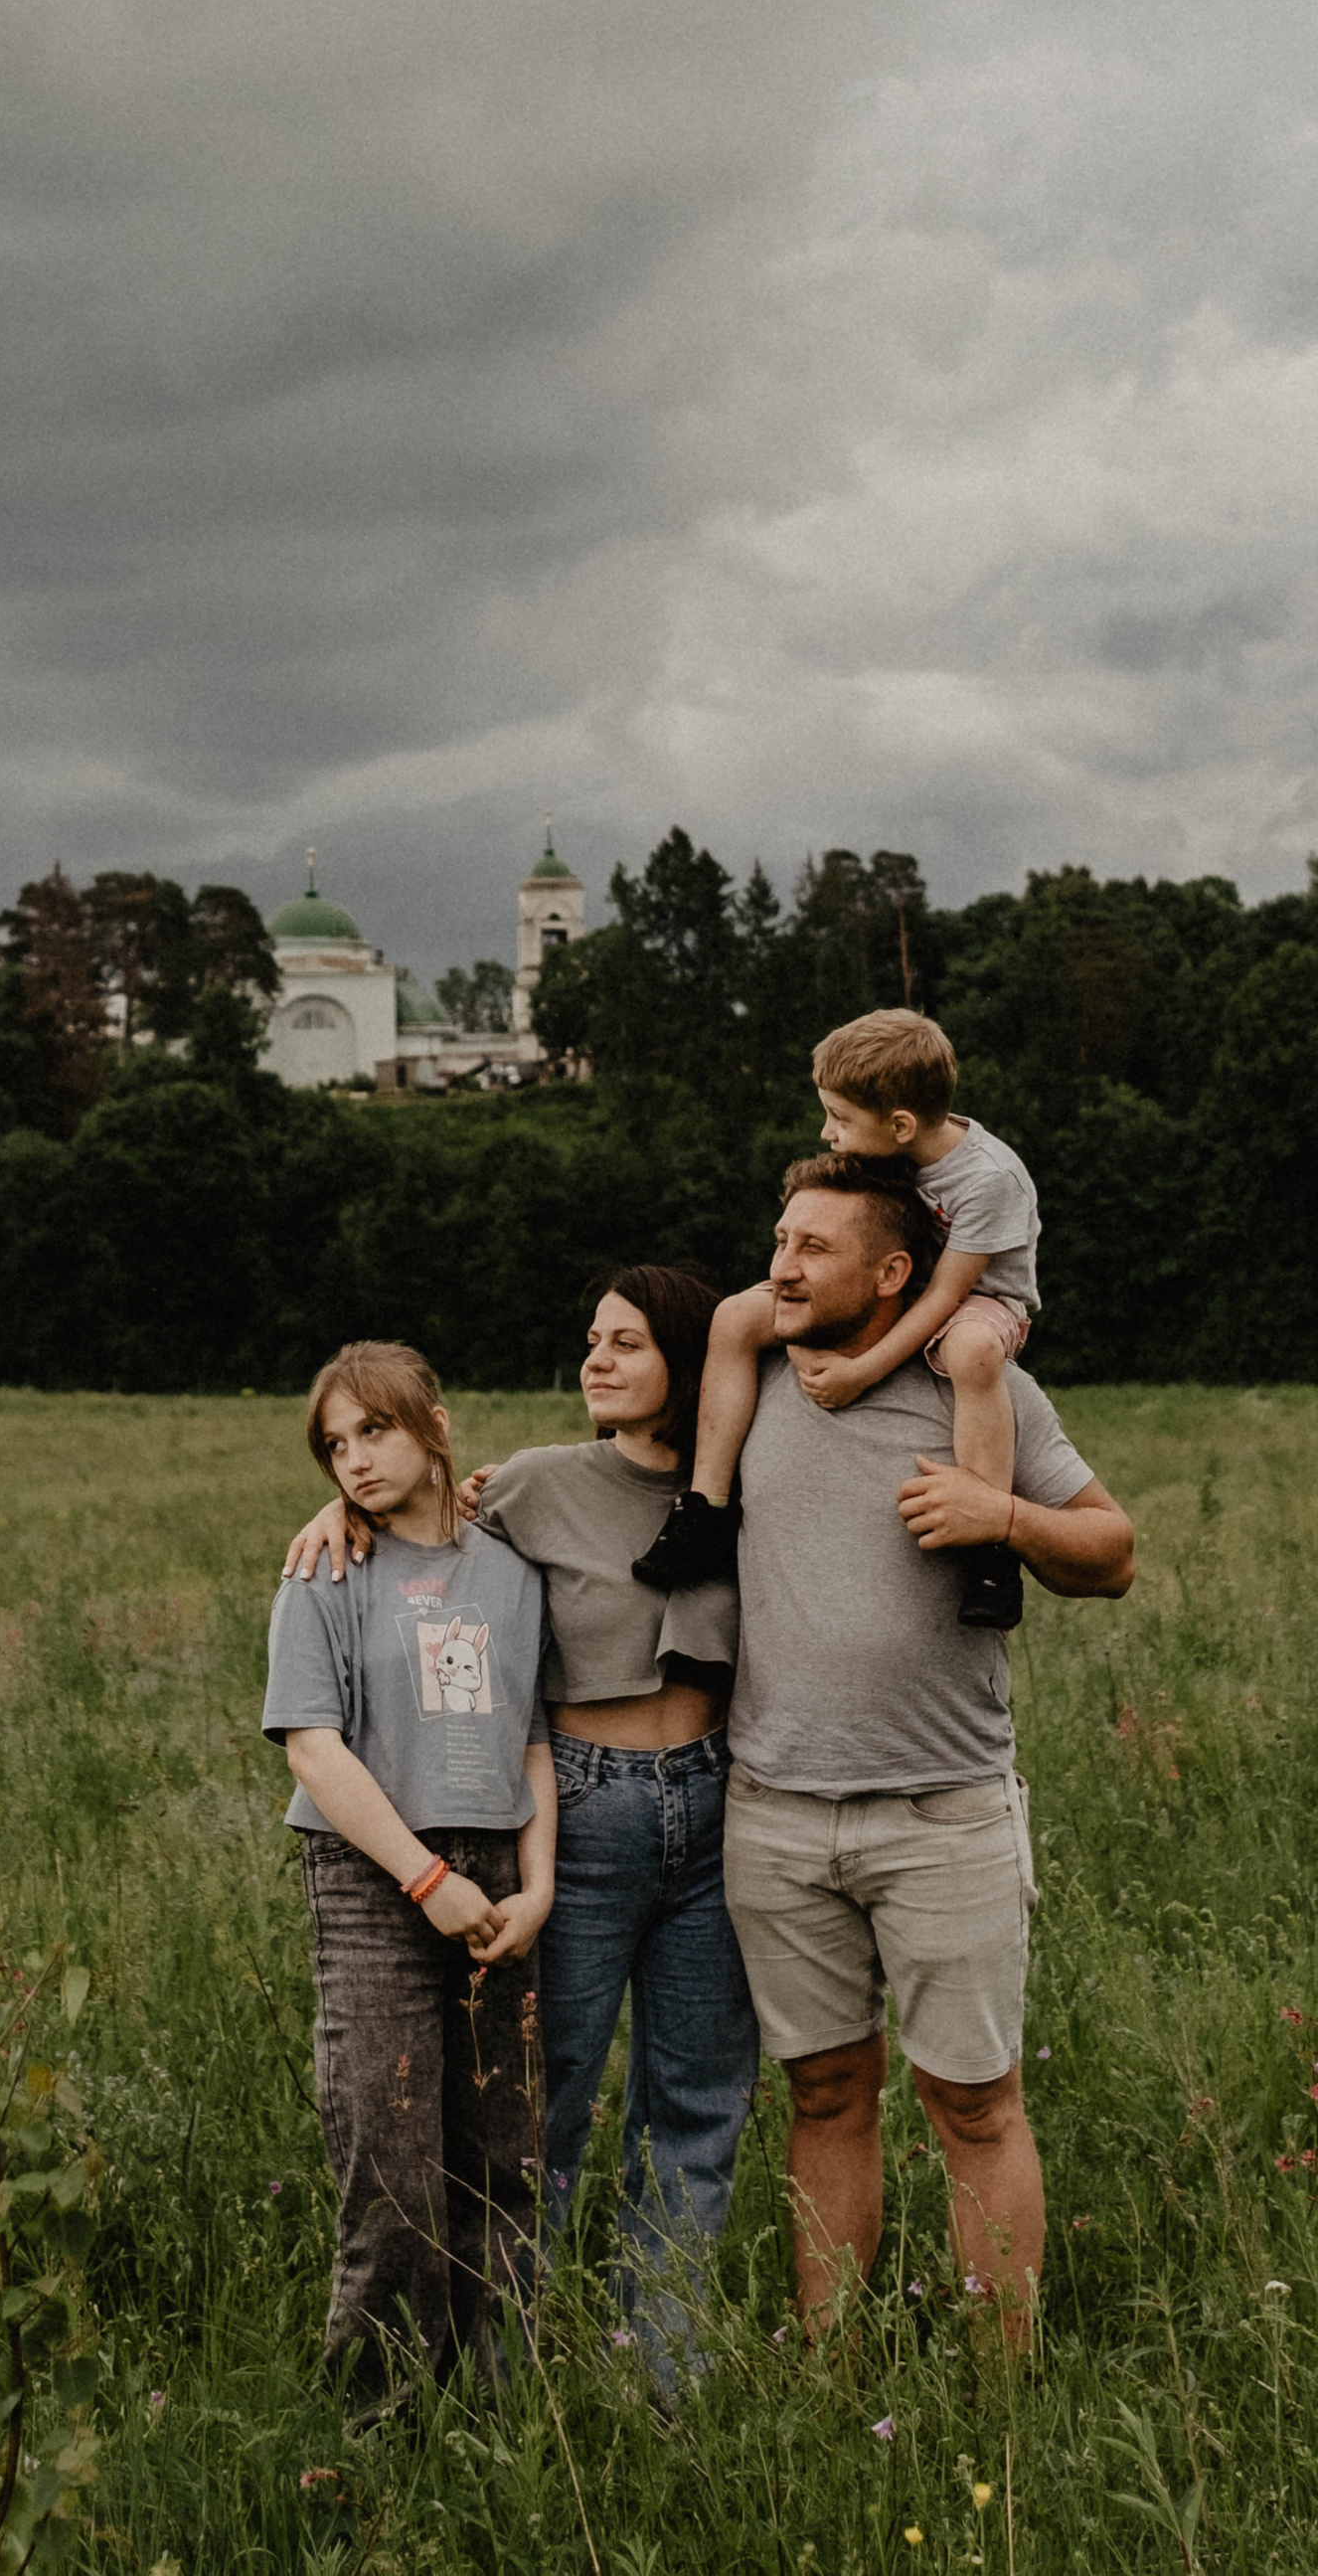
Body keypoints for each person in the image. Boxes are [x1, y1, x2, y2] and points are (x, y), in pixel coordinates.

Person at [282, 1269, 760, 2386]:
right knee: (538, 2110)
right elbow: (420, 1524)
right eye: (591, 1338)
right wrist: (338, 1506)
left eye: (626, 1342)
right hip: (581, 1803)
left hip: (718, 1802)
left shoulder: (754, 1481)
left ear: (690, 1362)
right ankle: (497, 2376)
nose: (595, 1359)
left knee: (695, 2105)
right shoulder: (539, 1483)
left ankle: (659, 2377)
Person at [715, 1150, 1133, 2348]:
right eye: (780, 1241)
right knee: (823, 2092)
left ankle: (1002, 2395)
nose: (784, 1267)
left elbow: (1112, 1553)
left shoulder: (977, 1383)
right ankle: (829, 2373)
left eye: (814, 1248)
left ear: (895, 1272)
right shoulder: (748, 1380)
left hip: (942, 1814)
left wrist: (1001, 1515)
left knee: (973, 2102)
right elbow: (615, 1471)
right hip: (774, 1812)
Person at [262, 1340, 556, 2393]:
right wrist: (427, 1883)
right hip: (375, 1879)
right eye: (335, 1444)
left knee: (505, 2165)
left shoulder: (514, 1571)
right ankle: (377, 2425)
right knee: (393, 2173)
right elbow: (312, 1748)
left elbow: (532, 1737)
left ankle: (498, 2407)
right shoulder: (325, 1572)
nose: (354, 1460)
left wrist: (538, 1887)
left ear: (434, 1424)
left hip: (500, 1878)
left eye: (374, 1430)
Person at [636, 1010, 1041, 1631]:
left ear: (900, 1125)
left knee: (972, 1352)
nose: (828, 1133)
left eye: (840, 1119)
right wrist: (803, 1337)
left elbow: (943, 1297)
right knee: (736, 1317)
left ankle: (989, 1554)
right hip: (898, 1282)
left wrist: (862, 1371)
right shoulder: (890, 1148)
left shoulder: (989, 1179)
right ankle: (705, 1509)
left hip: (977, 1300)